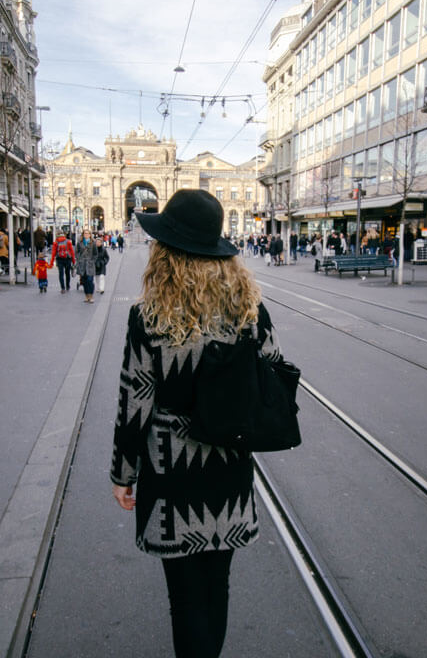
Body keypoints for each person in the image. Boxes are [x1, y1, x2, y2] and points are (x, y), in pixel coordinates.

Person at [111, 189, 282, 658]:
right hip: (228, 468)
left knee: (185, 598)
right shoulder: (250, 312)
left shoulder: (147, 318)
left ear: (165, 252)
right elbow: (273, 375)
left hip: (172, 478)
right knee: (217, 589)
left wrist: (123, 475)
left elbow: (135, 401)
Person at [74, 228, 98, 303]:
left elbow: (95, 254)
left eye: (88, 233)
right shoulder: (80, 243)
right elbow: (76, 252)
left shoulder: (93, 243)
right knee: (84, 281)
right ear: (83, 235)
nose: (86, 235)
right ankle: (86, 296)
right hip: (82, 265)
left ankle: (91, 295)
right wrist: (79, 259)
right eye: (85, 233)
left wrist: (92, 261)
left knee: (90, 280)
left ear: (90, 235)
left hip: (90, 265)